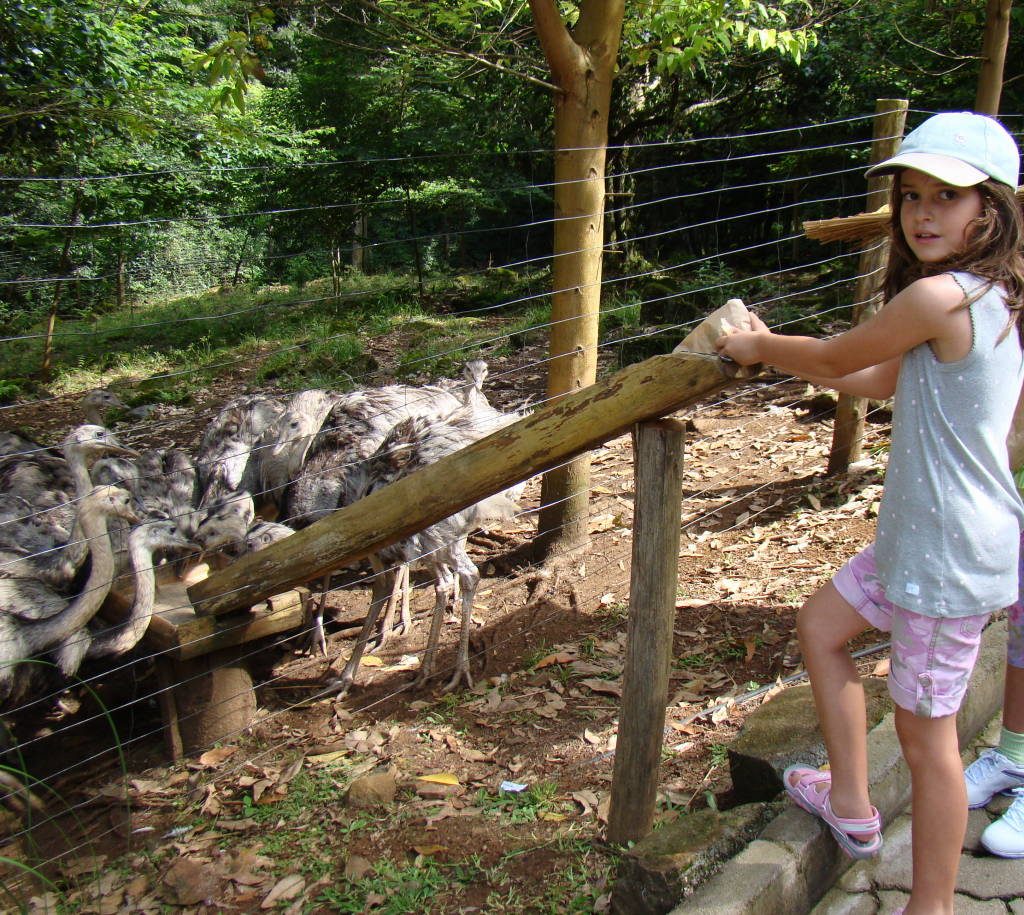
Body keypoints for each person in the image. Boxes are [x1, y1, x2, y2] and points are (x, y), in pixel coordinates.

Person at [717, 111, 1024, 914]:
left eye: (946, 197)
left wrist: (760, 346)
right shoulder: (988, 294)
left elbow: (834, 357)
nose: (922, 213)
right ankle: (851, 803)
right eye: (912, 196)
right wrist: (796, 357)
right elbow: (879, 378)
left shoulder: (941, 295)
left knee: (930, 746)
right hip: (917, 545)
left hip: (946, 560)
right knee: (821, 625)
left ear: (989, 209)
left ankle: (930, 905)